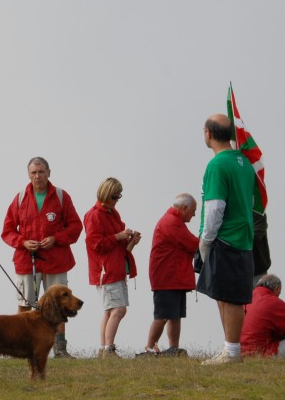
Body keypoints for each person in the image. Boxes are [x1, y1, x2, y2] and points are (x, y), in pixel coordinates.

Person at [1, 156, 82, 357]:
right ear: (29, 175)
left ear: (49, 173)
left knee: (60, 304)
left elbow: (75, 227)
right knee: (25, 303)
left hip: (56, 261)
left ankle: (60, 349)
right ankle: (19, 347)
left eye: (41, 172)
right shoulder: (20, 198)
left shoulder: (61, 196)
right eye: (34, 172)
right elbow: (7, 230)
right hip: (27, 261)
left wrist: (56, 239)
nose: (37, 176)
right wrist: (23, 242)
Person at [197, 114, 256, 365]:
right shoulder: (244, 162)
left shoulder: (217, 165)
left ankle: (232, 351)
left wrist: (205, 240)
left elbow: (215, 207)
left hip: (226, 237)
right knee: (223, 294)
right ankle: (228, 349)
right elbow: (251, 201)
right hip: (243, 235)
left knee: (229, 297)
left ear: (208, 133)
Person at [84, 177, 140, 358]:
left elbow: (119, 246)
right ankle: (109, 349)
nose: (117, 200)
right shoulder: (94, 215)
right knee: (119, 309)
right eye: (115, 196)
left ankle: (103, 348)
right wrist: (118, 236)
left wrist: (131, 241)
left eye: (119, 196)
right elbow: (95, 244)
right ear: (106, 194)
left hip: (117, 268)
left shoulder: (113, 213)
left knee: (110, 311)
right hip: (106, 271)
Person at [142, 193, 198, 357]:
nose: (194, 215)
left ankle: (173, 348)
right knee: (163, 315)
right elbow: (193, 244)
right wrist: (208, 239)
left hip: (174, 277)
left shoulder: (174, 221)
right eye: (193, 211)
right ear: (184, 208)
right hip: (167, 277)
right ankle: (149, 348)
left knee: (175, 315)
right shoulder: (172, 222)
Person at [241, 274, 285, 357]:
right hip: (263, 353)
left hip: (241, 351)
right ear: (277, 289)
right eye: (279, 293)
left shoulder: (246, 297)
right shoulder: (272, 302)